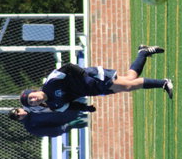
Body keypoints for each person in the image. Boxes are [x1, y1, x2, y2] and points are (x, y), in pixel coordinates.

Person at [18, 45, 173, 115]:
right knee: (130, 79)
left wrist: (85, 76)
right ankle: (143, 52)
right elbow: (71, 106)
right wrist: (85, 108)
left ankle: (164, 83)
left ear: (33, 91)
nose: (34, 100)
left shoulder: (51, 82)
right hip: (93, 89)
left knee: (128, 86)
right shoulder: (54, 105)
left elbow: (68, 67)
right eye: (31, 103)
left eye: (31, 97)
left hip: (94, 78)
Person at [9, 105, 90, 138]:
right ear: (18, 120)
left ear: (19, 108)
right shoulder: (30, 127)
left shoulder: (31, 104)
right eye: (18, 116)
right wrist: (69, 125)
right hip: (74, 120)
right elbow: (52, 131)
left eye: (18, 111)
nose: (20, 114)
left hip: (75, 106)